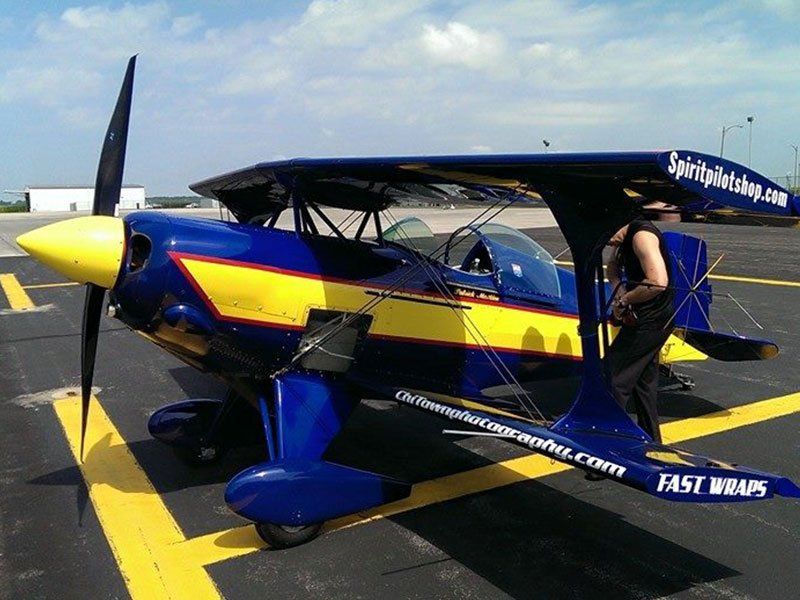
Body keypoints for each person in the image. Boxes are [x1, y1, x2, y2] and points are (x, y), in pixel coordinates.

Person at [604, 219, 675, 443]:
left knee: (611, 377)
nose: (607, 241)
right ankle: (651, 442)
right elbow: (612, 266)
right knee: (643, 384)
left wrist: (625, 300)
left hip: (651, 320)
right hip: (651, 318)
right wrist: (619, 290)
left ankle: (609, 446)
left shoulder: (642, 236)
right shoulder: (624, 237)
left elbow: (657, 281)